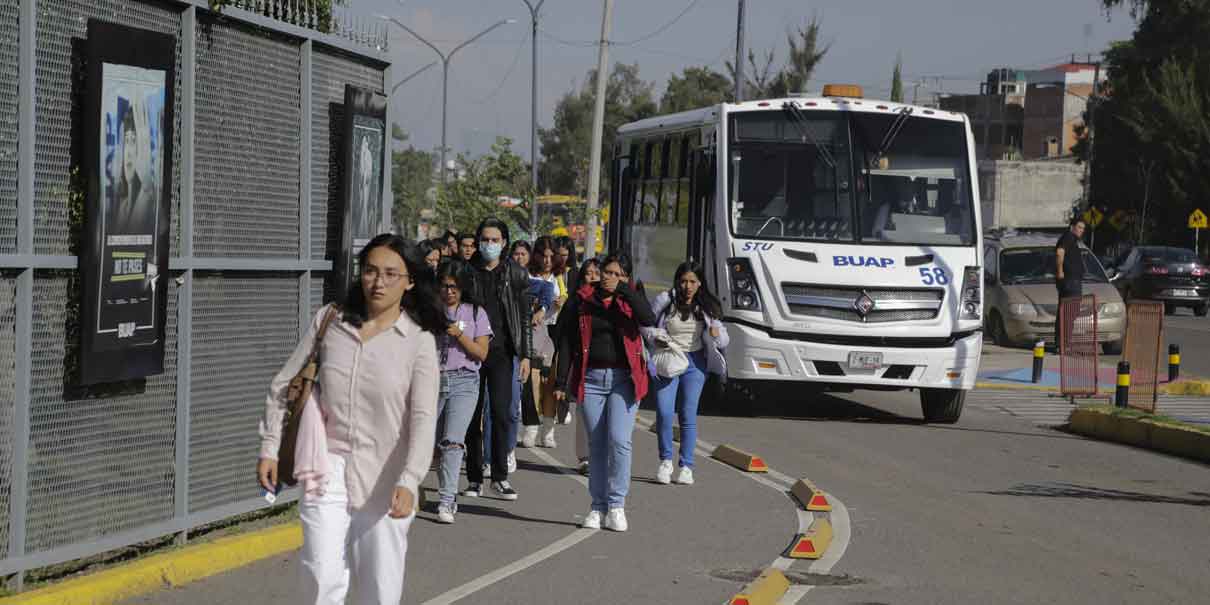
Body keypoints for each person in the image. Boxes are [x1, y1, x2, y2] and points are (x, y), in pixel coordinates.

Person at [257, 234, 444, 605]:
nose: (379, 282)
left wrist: (410, 480)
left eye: (392, 274)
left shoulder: (418, 341)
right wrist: (270, 448)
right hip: (325, 465)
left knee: (379, 588)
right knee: (321, 571)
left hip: (386, 476)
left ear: (409, 282)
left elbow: (423, 420)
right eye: (371, 271)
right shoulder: (331, 321)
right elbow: (283, 384)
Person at [555, 253, 655, 532]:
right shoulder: (583, 299)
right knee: (597, 444)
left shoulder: (630, 299)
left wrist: (624, 290)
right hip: (591, 379)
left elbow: (648, 318)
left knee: (619, 440)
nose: (610, 278)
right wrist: (561, 382)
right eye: (607, 272)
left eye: (618, 274)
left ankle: (617, 505)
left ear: (626, 278)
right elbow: (565, 340)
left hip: (625, 381)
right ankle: (597, 507)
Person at [463, 217, 533, 501]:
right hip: (470, 352)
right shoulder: (467, 272)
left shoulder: (516, 273)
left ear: (504, 243)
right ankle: (474, 478)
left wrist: (526, 354)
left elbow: (524, 317)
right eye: (485, 240)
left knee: (502, 414)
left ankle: (500, 476)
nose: (489, 245)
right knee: (472, 416)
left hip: (503, 354)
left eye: (495, 240)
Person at [644, 261, 729, 486]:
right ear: (677, 281)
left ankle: (686, 466)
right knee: (663, 411)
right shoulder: (665, 301)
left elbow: (724, 339)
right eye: (684, 281)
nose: (688, 286)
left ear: (700, 283)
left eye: (692, 281)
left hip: (695, 362)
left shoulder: (707, 307)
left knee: (687, 413)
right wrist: (656, 337)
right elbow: (646, 325)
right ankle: (665, 462)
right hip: (668, 359)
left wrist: (716, 333)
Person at [433, 259, 492, 524]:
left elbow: (481, 353)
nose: (449, 292)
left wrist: (458, 334)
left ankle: (447, 500)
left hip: (464, 381)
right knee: (427, 444)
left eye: (454, 287)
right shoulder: (429, 310)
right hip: (432, 381)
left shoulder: (475, 313)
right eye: (444, 286)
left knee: (452, 442)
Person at [528, 236, 564, 448]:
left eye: (552, 257)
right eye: (544, 256)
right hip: (535, 329)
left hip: (556, 329)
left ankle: (548, 429)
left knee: (552, 380)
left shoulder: (560, 276)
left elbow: (568, 298)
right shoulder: (529, 275)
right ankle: (531, 426)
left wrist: (561, 303)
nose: (548, 261)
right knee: (533, 379)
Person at [567, 257, 601, 475]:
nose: (594, 278)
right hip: (582, 363)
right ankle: (585, 457)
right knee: (583, 412)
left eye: (598, 273)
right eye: (589, 273)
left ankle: (599, 453)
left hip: (605, 365)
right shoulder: (576, 301)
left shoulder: (612, 300)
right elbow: (566, 338)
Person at [1054, 217, 1087, 351]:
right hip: (1070, 281)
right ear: (1072, 227)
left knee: (1066, 311)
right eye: (1079, 227)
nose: (1081, 231)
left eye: (1083, 229)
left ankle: (1061, 343)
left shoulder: (1072, 240)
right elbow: (1059, 252)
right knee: (1070, 312)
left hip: (1072, 280)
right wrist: (1060, 271)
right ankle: (1063, 344)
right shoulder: (1068, 237)